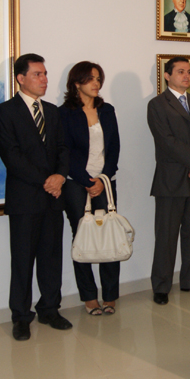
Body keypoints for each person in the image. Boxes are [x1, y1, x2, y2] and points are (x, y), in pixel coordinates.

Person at [0, 53, 71, 341]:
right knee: (23, 260)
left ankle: (50, 308)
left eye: (45, 73)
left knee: (51, 257)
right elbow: (12, 156)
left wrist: (60, 176)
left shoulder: (52, 111)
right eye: (38, 74)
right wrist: (47, 181)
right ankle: (21, 316)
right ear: (20, 78)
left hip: (54, 197)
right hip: (25, 198)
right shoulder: (4, 112)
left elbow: (63, 149)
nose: (44, 79)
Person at [147, 57, 190, 305]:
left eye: (189, 72)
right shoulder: (157, 105)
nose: (186, 76)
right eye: (180, 72)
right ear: (167, 76)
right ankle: (161, 286)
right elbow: (166, 141)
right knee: (166, 236)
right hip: (171, 180)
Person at [60, 62, 121, 315]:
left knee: (109, 234)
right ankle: (88, 296)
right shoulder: (64, 113)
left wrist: (102, 179)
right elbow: (65, 152)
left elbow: (114, 147)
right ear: (77, 83)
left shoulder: (107, 110)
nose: (96, 83)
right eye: (90, 79)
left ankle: (110, 295)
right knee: (82, 238)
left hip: (105, 182)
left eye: (98, 79)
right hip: (76, 184)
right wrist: (86, 181)